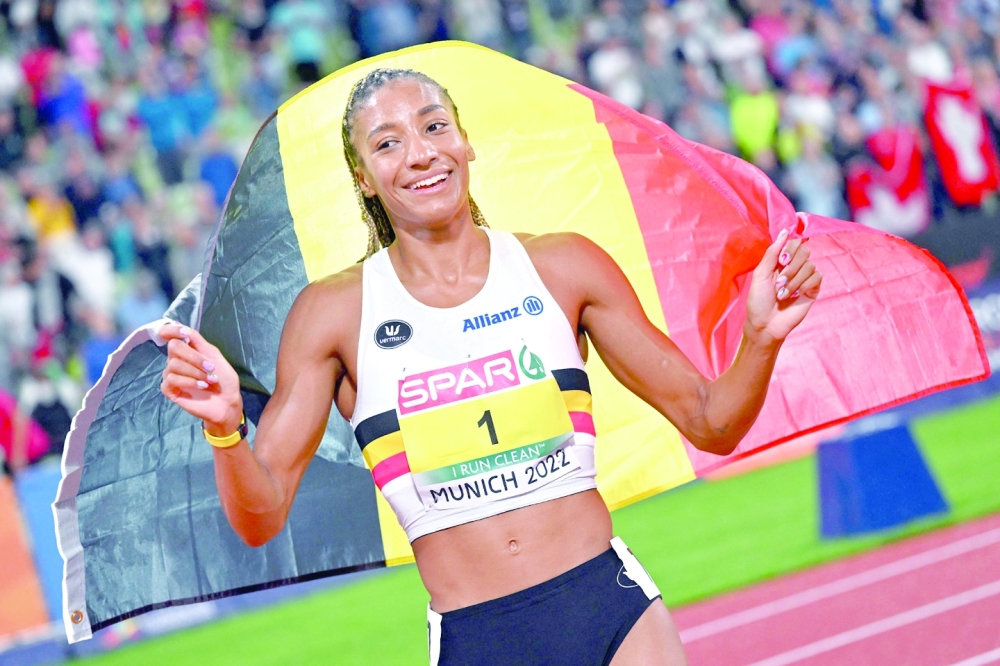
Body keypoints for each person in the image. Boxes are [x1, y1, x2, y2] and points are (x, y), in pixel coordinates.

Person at [159, 68, 821, 665]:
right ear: (363, 177)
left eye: (433, 126)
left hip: (613, 612)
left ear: (466, 143)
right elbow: (261, 515)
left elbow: (710, 422)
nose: (419, 152)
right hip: (481, 640)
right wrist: (225, 431)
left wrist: (760, 339)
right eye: (387, 143)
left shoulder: (565, 267)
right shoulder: (333, 314)